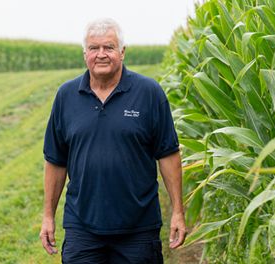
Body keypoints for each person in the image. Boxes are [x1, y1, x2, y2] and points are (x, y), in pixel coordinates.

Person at [40, 18, 186, 263]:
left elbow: (168, 154)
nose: (101, 54)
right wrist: (48, 216)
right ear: (85, 53)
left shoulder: (149, 93)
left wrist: (178, 212)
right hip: (82, 226)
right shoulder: (66, 96)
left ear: (122, 51)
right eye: (94, 48)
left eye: (108, 47)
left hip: (138, 228)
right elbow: (55, 160)